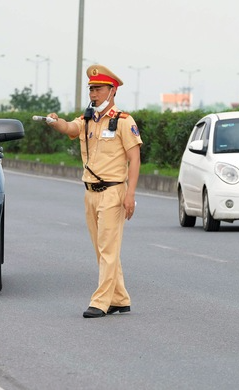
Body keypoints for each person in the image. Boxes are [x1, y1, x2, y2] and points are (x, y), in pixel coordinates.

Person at [45, 64, 142, 318]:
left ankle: (101, 301)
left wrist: (130, 194)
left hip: (113, 191)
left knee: (108, 248)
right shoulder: (88, 119)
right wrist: (56, 123)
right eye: (91, 89)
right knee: (102, 249)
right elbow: (69, 128)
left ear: (112, 91)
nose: (93, 94)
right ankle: (120, 298)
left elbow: (135, 158)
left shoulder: (123, 121)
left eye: (98, 89)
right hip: (90, 192)